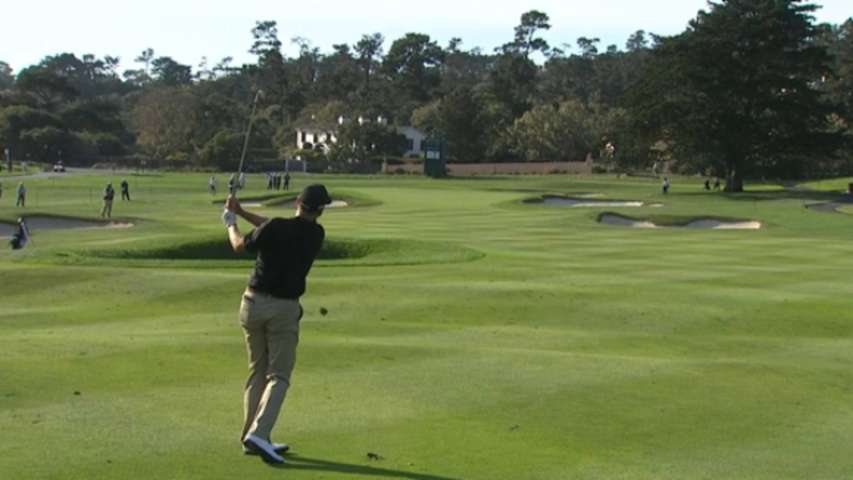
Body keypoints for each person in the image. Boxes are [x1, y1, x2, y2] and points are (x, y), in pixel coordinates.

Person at [223, 184, 332, 464]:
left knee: (258, 372)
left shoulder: (275, 228)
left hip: (252, 304)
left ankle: (251, 436)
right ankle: (259, 434)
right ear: (321, 210)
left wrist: (231, 222)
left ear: (298, 201)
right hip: (283, 309)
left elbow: (239, 244)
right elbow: (271, 227)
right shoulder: (316, 234)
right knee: (279, 376)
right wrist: (242, 212)